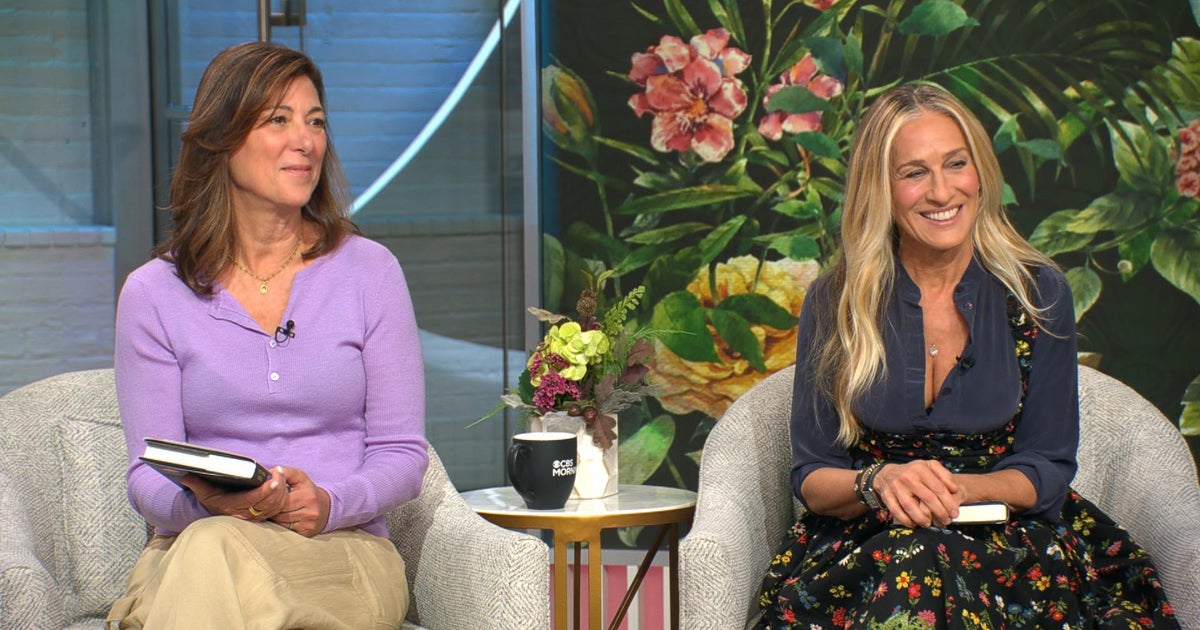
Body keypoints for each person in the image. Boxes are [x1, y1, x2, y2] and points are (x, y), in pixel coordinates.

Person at [755, 83, 1179, 628]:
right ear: (880, 189)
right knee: (913, 558)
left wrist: (947, 493)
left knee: (931, 558)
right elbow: (813, 473)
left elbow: (1046, 465)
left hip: (1009, 547)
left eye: (956, 164)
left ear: (979, 172)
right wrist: (881, 482)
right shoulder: (836, 301)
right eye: (914, 173)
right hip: (867, 547)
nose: (941, 191)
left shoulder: (1038, 293)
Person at [107, 41, 428, 629]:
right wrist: (214, 507)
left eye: (316, 122)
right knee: (214, 549)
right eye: (278, 120)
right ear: (223, 138)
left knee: (210, 563)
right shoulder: (153, 293)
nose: (305, 141)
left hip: (339, 551)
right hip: (198, 545)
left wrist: (329, 502)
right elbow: (146, 475)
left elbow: (403, 455)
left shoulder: (370, 273)